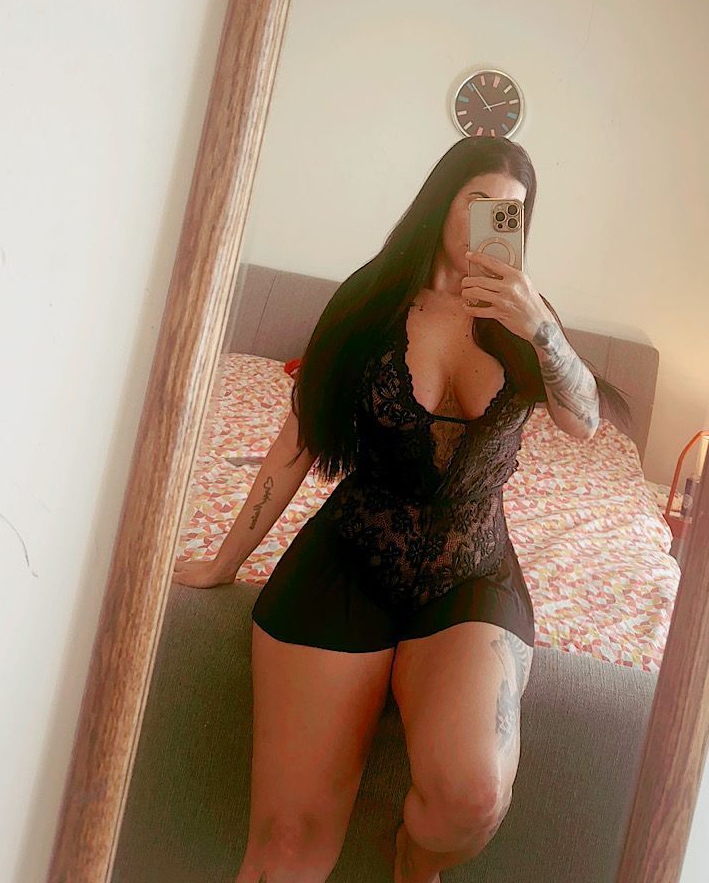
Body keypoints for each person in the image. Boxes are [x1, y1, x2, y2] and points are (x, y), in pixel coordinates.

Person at [173, 136, 629, 883]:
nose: (489, 223)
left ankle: (413, 862)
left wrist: (540, 329)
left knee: (473, 797)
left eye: (509, 213)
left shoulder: (527, 319)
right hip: (352, 559)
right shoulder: (371, 299)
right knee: (286, 843)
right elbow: (298, 439)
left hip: (468, 574)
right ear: (442, 201)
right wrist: (226, 560)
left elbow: (582, 423)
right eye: (477, 202)